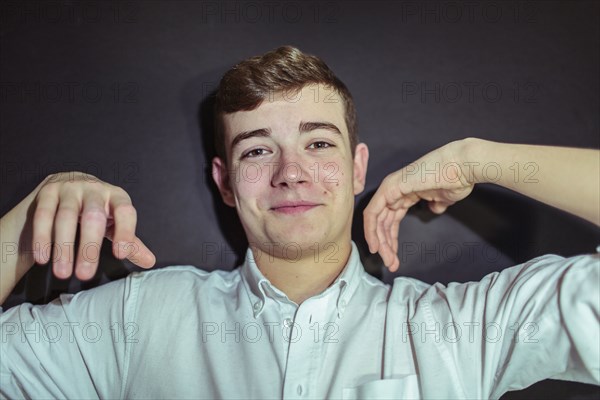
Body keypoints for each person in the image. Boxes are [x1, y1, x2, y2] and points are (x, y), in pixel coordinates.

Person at [0, 46, 598, 398]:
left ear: (358, 167)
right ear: (225, 183)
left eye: (318, 144)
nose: (291, 173)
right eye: (257, 150)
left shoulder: (462, 330)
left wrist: (481, 158)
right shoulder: (138, 318)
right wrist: (24, 233)